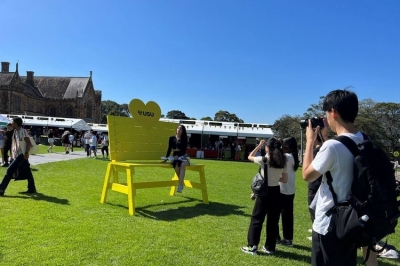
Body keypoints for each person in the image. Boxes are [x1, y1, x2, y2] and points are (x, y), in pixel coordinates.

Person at [302, 89, 365, 265]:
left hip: (330, 223)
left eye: (326, 113)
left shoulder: (332, 147)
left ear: (334, 112)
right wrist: (323, 139)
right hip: (353, 221)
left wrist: (309, 142)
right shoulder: (364, 140)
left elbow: (307, 174)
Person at [242, 137, 287, 255]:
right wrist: (275, 177)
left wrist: (258, 146)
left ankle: (252, 246)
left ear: (268, 147)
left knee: (257, 219)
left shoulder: (264, 159)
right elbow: (285, 179)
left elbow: (249, 156)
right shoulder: (283, 160)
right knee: (273, 221)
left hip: (265, 193)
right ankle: (270, 247)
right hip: (277, 192)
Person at [0, 117, 37, 196]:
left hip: (22, 155)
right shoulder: (15, 132)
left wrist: (26, 153)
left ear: (16, 123)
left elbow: (29, 143)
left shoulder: (22, 131)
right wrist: (12, 155)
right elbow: (15, 145)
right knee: (28, 172)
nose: (11, 123)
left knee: (9, 171)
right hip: (17, 155)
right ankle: (32, 188)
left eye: (12, 122)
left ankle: (1, 189)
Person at [276, 137, 300, 247]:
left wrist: (278, 143)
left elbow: (277, 155)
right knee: (288, 216)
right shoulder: (294, 156)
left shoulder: (287, 156)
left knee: (276, 214)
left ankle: (276, 238)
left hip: (282, 189)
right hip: (290, 189)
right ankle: (288, 239)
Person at [164, 124, 188, 193]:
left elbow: (184, 150)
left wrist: (177, 152)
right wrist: (166, 158)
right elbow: (169, 149)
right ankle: (181, 183)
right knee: (177, 167)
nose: (179, 130)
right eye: (178, 128)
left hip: (183, 156)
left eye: (180, 129)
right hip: (175, 157)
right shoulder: (171, 138)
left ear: (183, 131)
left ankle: (180, 185)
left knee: (182, 165)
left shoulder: (184, 139)